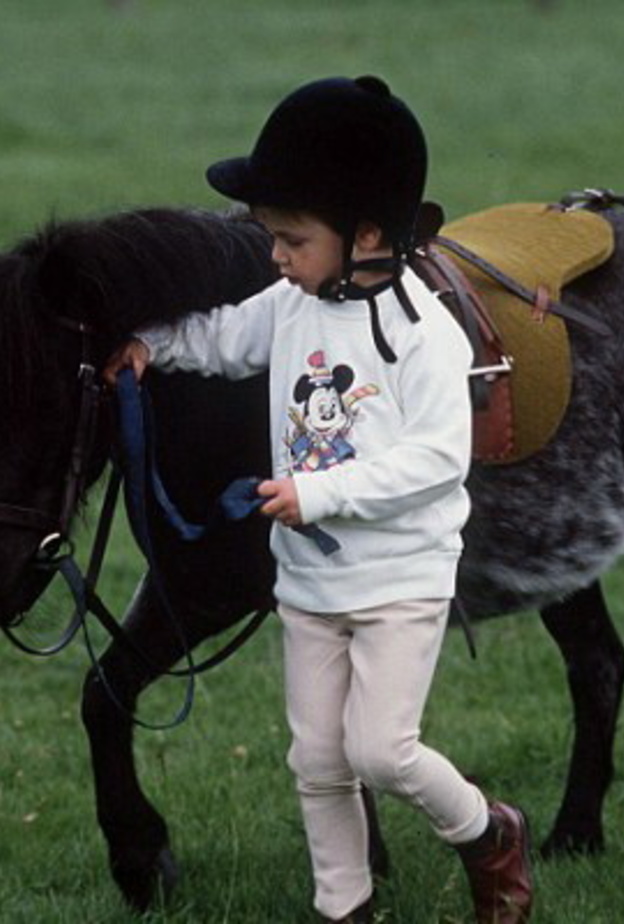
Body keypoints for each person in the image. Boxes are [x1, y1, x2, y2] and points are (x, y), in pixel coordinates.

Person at [104, 75, 533, 924]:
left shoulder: (424, 336)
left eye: (292, 239)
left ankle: (488, 833)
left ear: (367, 235)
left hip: (400, 580)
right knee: (319, 762)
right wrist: (152, 344)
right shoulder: (291, 304)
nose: (276, 257)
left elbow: (438, 459)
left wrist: (320, 491)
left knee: (382, 752)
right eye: (272, 237)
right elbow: (223, 339)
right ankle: (344, 906)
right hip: (307, 582)